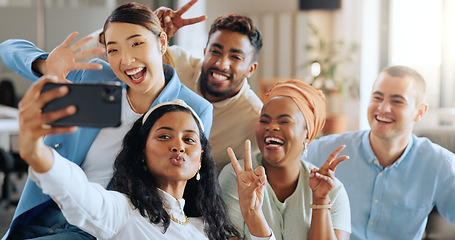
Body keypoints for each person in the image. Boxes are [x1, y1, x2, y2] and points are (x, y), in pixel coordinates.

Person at [0, 2, 213, 239]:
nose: (126, 60)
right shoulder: (94, 76)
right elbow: (8, 49)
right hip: (40, 214)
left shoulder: (192, 108)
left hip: (100, 228)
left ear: (162, 42)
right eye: (113, 50)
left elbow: (182, 181)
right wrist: (47, 65)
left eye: (136, 43)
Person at [16, 83, 275, 240]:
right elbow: (80, 194)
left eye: (190, 140)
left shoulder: (207, 230)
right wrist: (37, 153)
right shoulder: (123, 212)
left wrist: (253, 214)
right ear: (141, 153)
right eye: (164, 136)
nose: (178, 146)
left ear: (200, 163)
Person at [83, 1, 263, 172]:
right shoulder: (173, 61)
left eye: (235, 57)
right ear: (204, 51)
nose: (221, 64)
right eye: (215, 51)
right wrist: (141, 28)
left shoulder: (253, 118)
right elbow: (100, 58)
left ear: (251, 69)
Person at [305, 65, 455, 240]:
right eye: (377, 97)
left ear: (419, 112)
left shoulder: (439, 164)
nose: (383, 108)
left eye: (397, 101)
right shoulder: (326, 151)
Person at [219, 79, 351, 240]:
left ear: (307, 135)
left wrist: (320, 201)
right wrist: (252, 213)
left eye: (284, 121)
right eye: (264, 120)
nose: (271, 127)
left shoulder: (333, 191)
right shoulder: (238, 178)